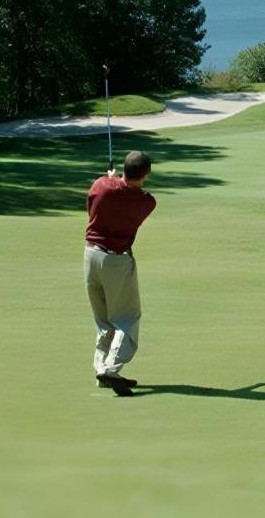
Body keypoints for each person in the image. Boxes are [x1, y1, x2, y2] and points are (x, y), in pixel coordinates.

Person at [83, 151, 156, 396]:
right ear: (145, 174)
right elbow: (129, 196)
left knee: (104, 321)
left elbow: (95, 204)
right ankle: (111, 369)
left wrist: (110, 180)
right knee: (127, 318)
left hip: (90, 256)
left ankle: (101, 369)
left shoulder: (100, 184)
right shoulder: (147, 202)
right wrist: (116, 183)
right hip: (116, 261)